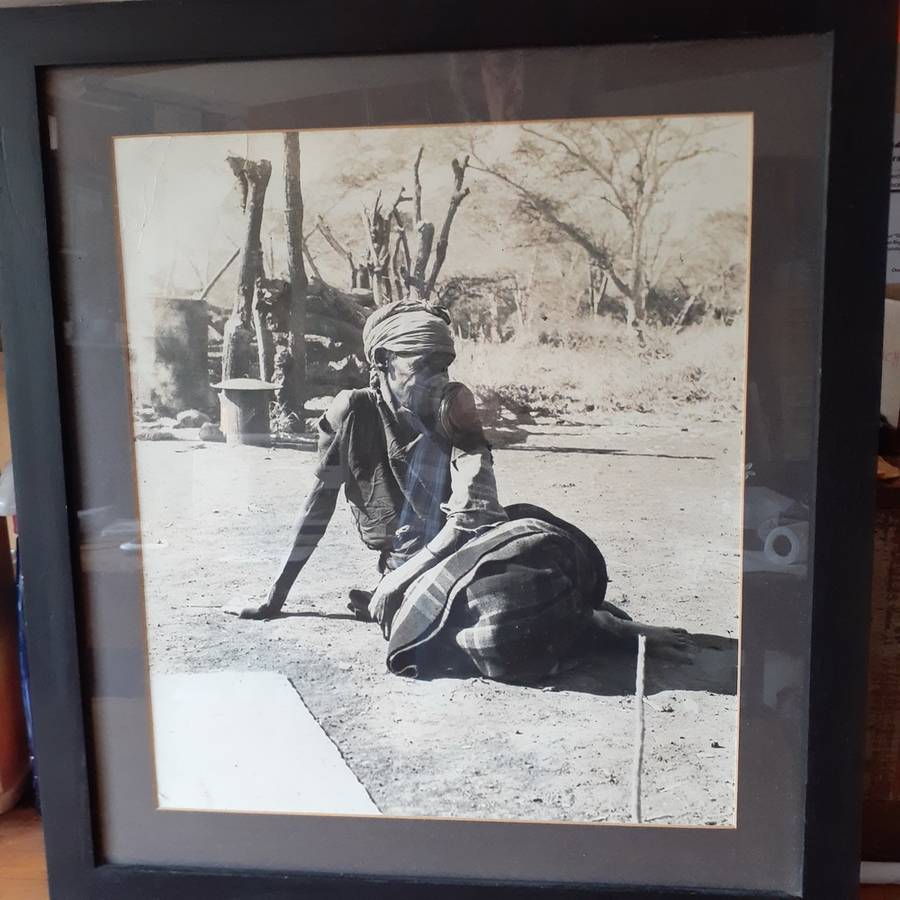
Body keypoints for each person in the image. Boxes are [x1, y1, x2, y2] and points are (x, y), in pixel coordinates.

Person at [238, 300, 689, 683]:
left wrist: (394, 582)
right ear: (381, 365)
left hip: (466, 547)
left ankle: (595, 622)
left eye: (444, 365)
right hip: (424, 569)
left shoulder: (453, 407)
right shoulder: (352, 413)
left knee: (544, 547)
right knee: (500, 619)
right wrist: (275, 597)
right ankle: (595, 625)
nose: (437, 378)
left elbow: (475, 513)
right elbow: (318, 505)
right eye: (421, 367)